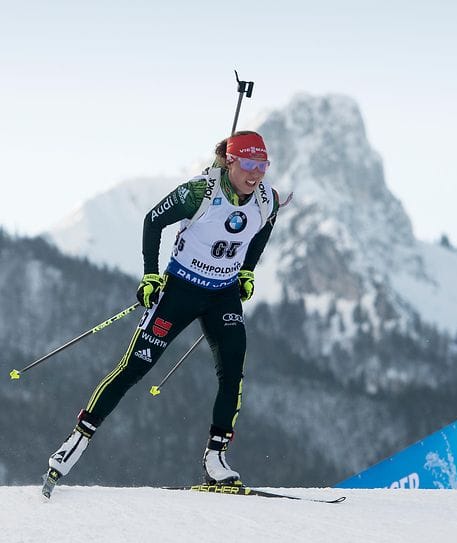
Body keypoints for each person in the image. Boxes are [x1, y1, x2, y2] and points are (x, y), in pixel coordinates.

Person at [42, 130, 280, 499]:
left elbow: (263, 228)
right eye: (248, 164)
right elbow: (153, 220)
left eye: (262, 166)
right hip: (180, 289)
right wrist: (151, 275)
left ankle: (216, 458)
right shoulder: (199, 192)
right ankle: (75, 442)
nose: (255, 174)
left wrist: (247, 269)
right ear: (231, 161)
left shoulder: (267, 199)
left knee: (233, 370)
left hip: (223, 293)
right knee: (135, 366)